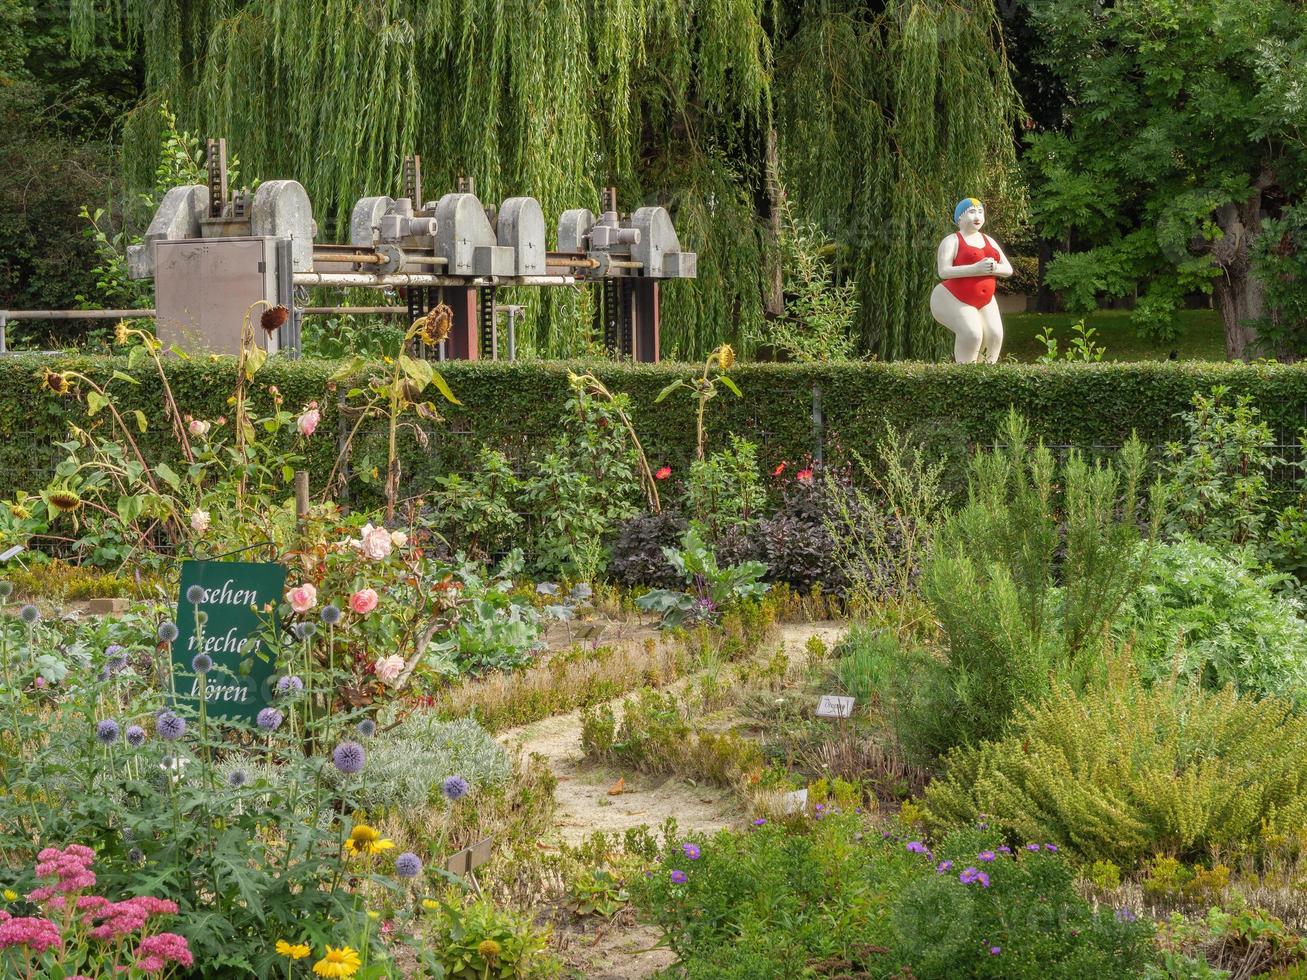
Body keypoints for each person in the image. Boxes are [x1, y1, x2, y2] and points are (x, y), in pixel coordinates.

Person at [930, 198, 1013, 362]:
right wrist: (975, 269)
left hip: (986, 300)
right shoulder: (952, 241)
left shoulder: (989, 240)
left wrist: (994, 268)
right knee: (972, 334)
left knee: (995, 335)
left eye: (981, 212)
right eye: (972, 212)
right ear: (959, 218)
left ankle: (986, 379)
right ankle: (965, 377)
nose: (978, 216)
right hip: (954, 297)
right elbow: (943, 271)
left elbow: (1008, 269)